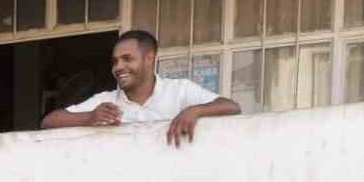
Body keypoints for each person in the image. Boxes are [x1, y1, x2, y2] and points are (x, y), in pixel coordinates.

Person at [42, 30, 239, 147]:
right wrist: (89, 117)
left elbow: (231, 107)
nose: (118, 67)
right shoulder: (106, 101)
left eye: (127, 59)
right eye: (115, 61)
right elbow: (49, 121)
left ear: (149, 59)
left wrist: (194, 111)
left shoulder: (179, 90)